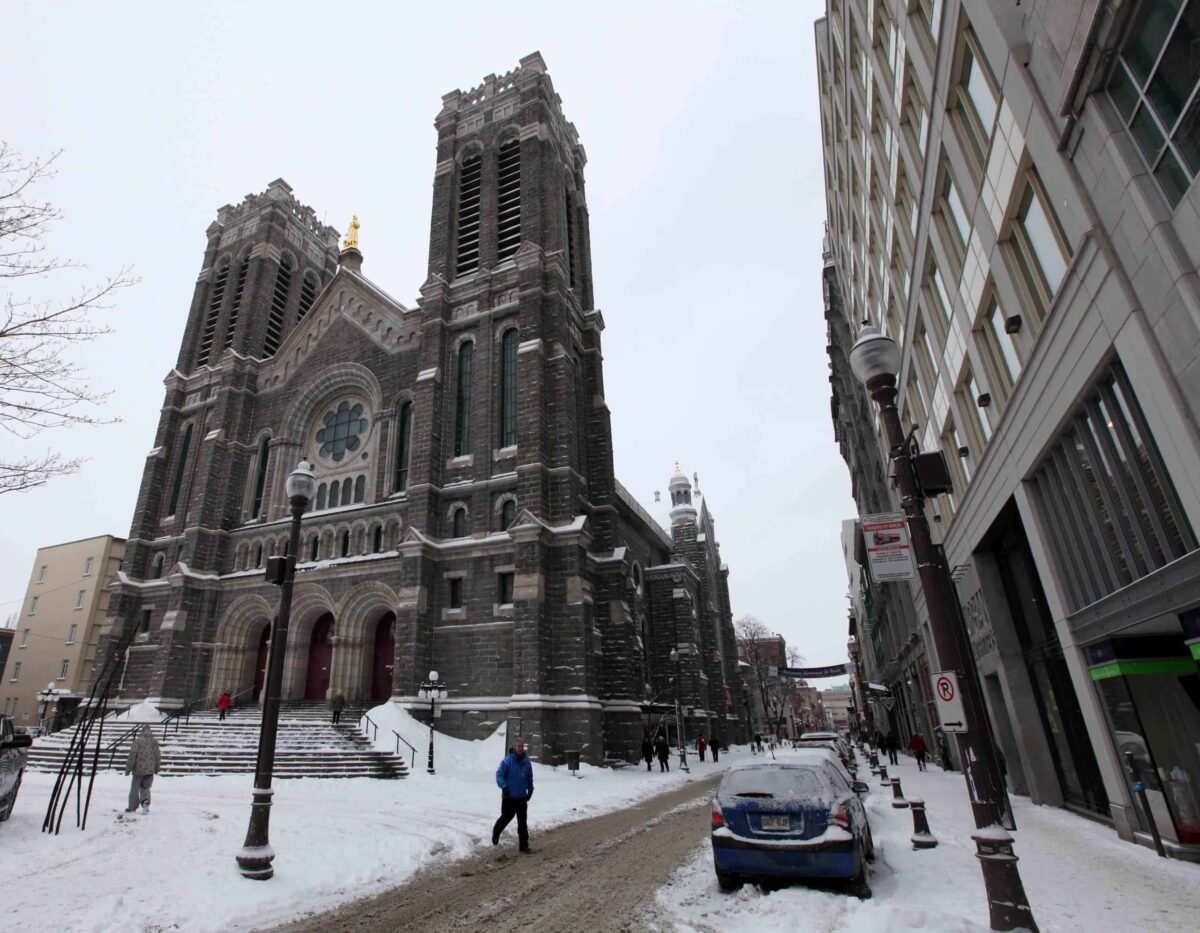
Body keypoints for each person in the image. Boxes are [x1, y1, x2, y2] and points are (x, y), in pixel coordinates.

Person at [492, 737, 534, 853]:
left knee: (522, 823)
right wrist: (504, 787)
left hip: (521, 797)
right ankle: (496, 832)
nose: (520, 748)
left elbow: (529, 778)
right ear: (515, 747)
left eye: (522, 746)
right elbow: (499, 775)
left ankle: (524, 846)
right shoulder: (507, 761)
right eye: (518, 746)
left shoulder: (527, 762)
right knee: (506, 818)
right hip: (509, 797)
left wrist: (530, 790)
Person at [125, 724, 161, 814]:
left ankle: (132, 807)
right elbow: (158, 756)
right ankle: (145, 801)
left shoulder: (137, 741)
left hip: (138, 769)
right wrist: (157, 767)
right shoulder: (154, 742)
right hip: (150, 769)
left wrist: (128, 768)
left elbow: (132, 755)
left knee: (135, 788)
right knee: (145, 787)